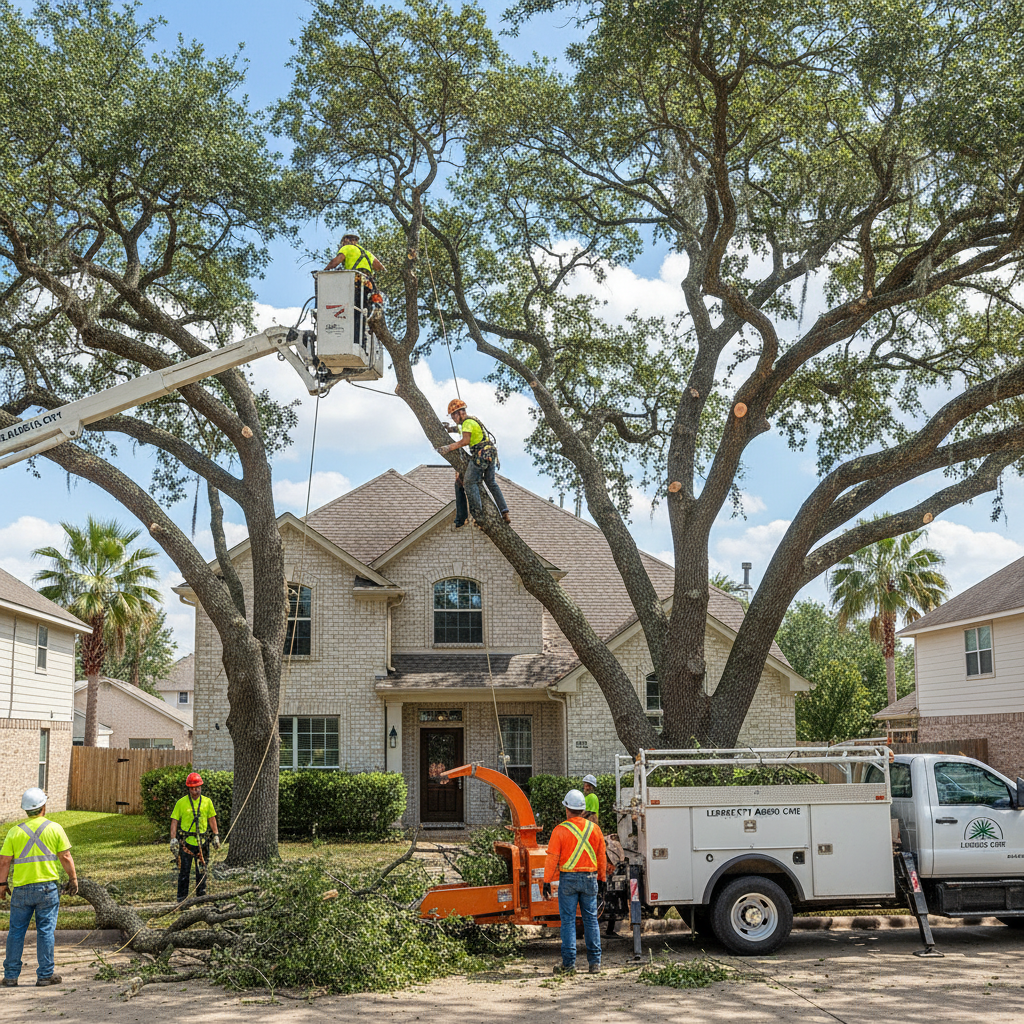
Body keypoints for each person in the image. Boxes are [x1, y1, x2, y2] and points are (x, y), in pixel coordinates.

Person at [0, 787, 78, 987]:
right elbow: (65, 856)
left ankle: (10, 976)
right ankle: (45, 975)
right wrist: (73, 879)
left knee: (16, 932)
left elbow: (4, 861)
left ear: (25, 809)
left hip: (21, 890)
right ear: (43, 806)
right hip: (47, 890)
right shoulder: (55, 828)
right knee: (45, 931)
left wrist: (1, 884)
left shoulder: (14, 832)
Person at [542, 788, 606, 975]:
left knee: (568, 922)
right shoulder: (595, 829)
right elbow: (601, 856)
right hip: (589, 879)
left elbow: (552, 857)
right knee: (591, 921)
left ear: (567, 809)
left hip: (568, 880)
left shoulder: (560, 830)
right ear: (583, 809)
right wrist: (602, 878)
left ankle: (569, 965)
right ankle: (595, 963)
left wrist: (547, 881)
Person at [438, 399, 511, 527]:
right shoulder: (472, 421)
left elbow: (465, 441)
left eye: (453, 416)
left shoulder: (467, 423)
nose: (453, 419)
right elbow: (462, 430)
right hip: (490, 453)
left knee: (470, 482)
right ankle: (505, 512)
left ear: (459, 413)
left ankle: (478, 515)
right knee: (491, 482)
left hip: (481, 455)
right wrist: (450, 429)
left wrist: (448, 448)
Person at [170, 772, 220, 903]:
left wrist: (216, 835)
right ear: (188, 789)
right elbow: (174, 820)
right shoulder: (181, 803)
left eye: (197, 787)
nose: (195, 790)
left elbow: (212, 818)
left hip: (202, 842)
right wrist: (173, 838)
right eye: (192, 788)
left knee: (202, 871)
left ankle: (201, 896)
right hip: (186, 843)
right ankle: (182, 898)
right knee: (184, 871)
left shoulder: (207, 802)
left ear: (201, 787)